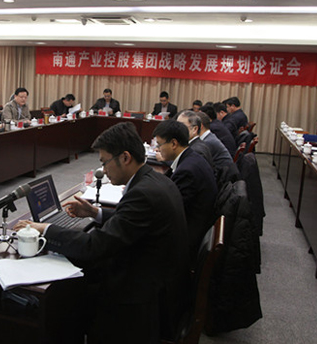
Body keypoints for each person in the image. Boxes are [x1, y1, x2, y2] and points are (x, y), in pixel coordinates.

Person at [14, 122, 189, 343]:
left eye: (104, 162)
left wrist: (46, 230)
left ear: (125, 157)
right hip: (159, 278)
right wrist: (95, 213)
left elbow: (94, 246)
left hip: (140, 300)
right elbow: (132, 223)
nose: (104, 170)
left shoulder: (143, 194)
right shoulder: (155, 180)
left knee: (71, 293)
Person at [152, 119, 217, 261]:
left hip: (186, 239)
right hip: (195, 224)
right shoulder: (191, 158)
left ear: (174, 144)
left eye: (159, 144)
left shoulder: (187, 170)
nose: (157, 149)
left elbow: (170, 211)